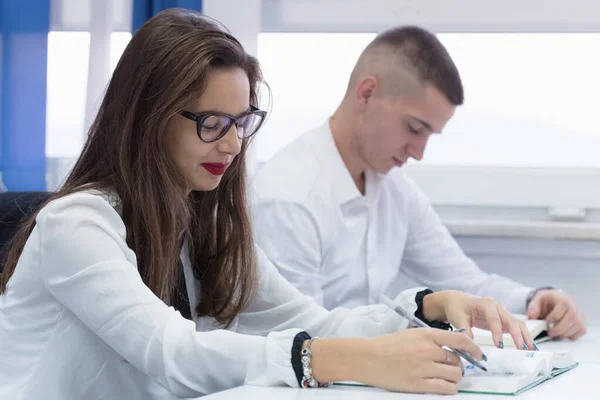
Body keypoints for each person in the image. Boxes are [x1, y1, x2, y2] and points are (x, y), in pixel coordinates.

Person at [0, 9, 535, 399]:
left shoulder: (200, 224)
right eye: (212, 123)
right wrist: (343, 360)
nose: (232, 146)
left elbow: (316, 323)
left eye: (241, 124)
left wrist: (430, 307)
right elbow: (170, 352)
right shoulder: (76, 224)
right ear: (148, 116)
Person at [252, 26, 586, 341]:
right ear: (366, 94)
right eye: (414, 128)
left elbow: (465, 283)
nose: (419, 152)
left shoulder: (394, 187)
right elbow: (302, 339)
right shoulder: (289, 199)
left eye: (429, 135)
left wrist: (537, 298)